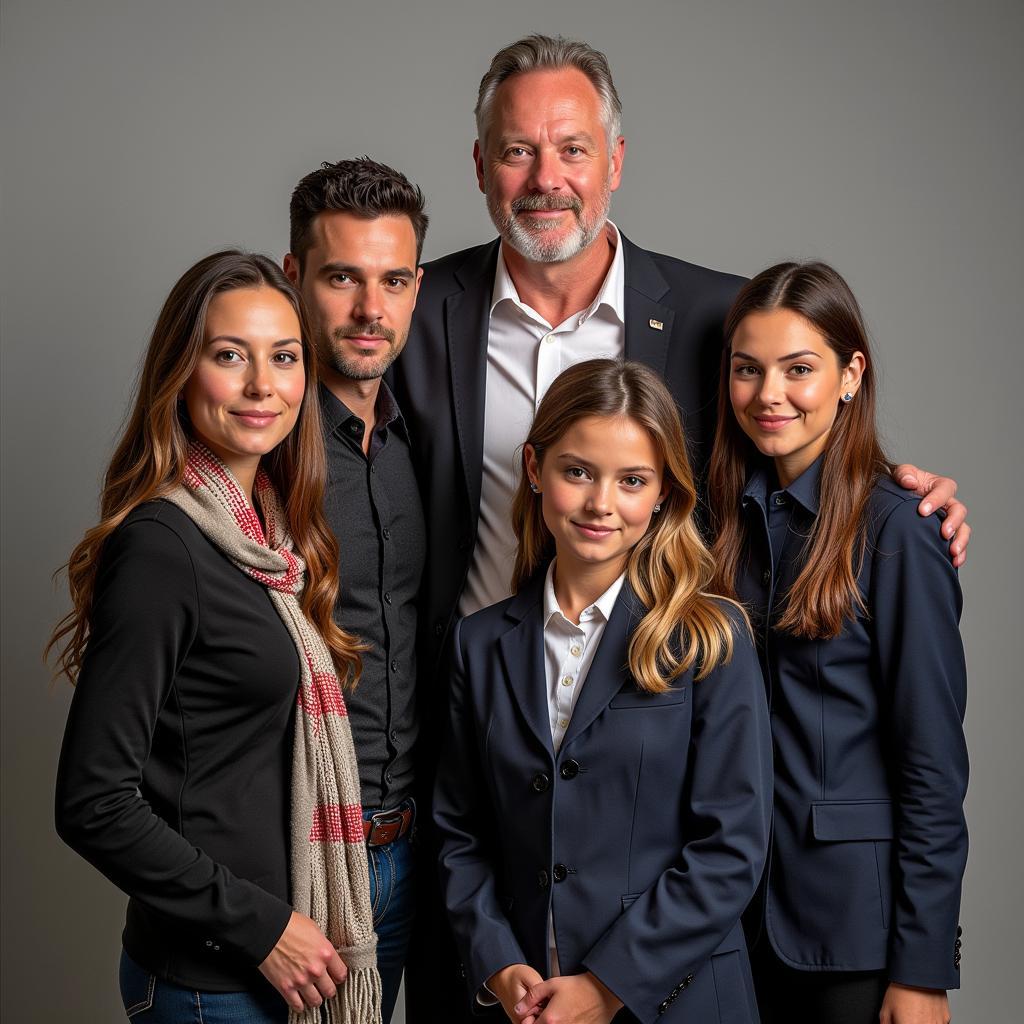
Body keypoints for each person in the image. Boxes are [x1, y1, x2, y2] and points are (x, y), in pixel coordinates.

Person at [390, 33, 971, 1017]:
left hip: (666, 763)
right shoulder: (416, 309)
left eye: (572, 147)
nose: (547, 178)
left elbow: (794, 411)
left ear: (615, 161)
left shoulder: (708, 318)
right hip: (487, 747)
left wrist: (897, 492)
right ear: (481, 165)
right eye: (519, 150)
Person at [51, 251, 381, 1024]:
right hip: (214, 981)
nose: (264, 385)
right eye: (230, 356)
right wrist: (264, 928)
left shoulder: (269, 535)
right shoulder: (165, 546)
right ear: (181, 370)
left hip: (275, 968)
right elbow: (91, 801)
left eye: (285, 357)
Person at [433, 358, 772, 1024]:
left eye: (632, 481)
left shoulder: (710, 638)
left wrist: (608, 986)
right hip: (525, 1005)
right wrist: (499, 964)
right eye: (578, 471)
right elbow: (458, 832)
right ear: (535, 469)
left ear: (663, 496)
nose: (600, 504)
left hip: (682, 1002)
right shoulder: (477, 643)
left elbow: (732, 847)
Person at [707, 262, 968, 1024]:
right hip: (728, 926)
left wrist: (922, 971)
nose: (769, 395)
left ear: (852, 374)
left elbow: (932, 766)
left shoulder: (900, 532)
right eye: (747, 370)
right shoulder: (724, 523)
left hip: (852, 933)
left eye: (799, 369)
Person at [283, 157, 428, 1024]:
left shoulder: (421, 440)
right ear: (295, 275)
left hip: (403, 856)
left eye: (394, 280)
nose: (372, 310)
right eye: (343, 277)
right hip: (282, 860)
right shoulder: (251, 447)